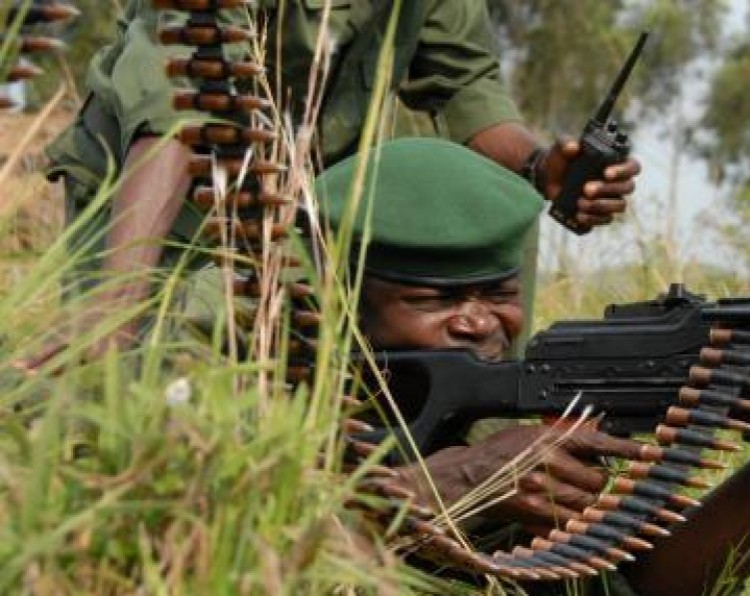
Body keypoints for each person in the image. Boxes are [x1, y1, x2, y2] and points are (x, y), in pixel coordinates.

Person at [313, 137, 750, 596]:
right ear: (341, 301)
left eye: (499, 293)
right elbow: (262, 555)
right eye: (433, 299)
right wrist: (450, 484)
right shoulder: (260, 398)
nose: (480, 322)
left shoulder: (493, 426)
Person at [34, 0, 640, 367]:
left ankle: (485, 447)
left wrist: (539, 168)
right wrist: (113, 308)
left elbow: (466, 86)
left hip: (299, 190)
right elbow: (177, 105)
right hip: (149, 190)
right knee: (124, 377)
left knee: (499, 202)